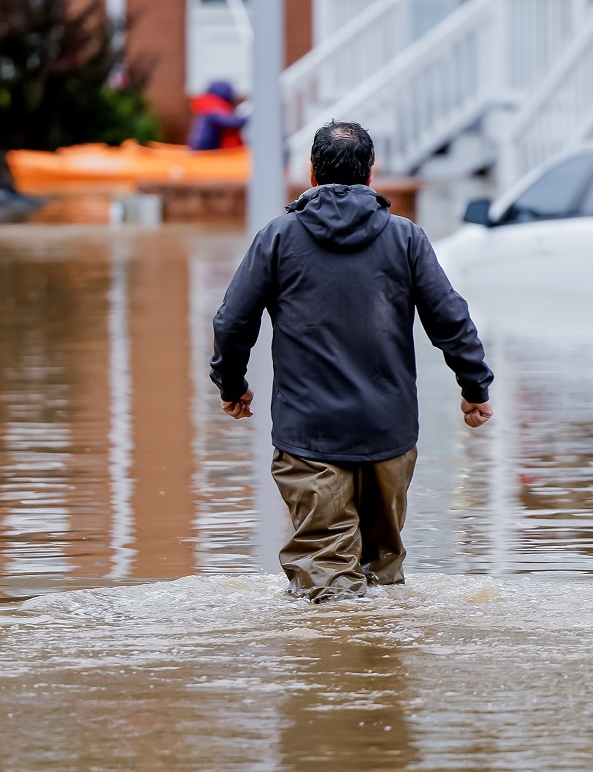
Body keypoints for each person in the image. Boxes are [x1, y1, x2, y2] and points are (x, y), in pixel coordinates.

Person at [209, 121, 494, 601]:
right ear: (371, 173)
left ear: (311, 173)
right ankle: (382, 672)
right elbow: (450, 318)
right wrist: (474, 388)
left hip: (309, 435)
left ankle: (334, 671)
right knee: (382, 574)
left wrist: (231, 384)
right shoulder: (406, 238)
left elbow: (233, 321)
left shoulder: (278, 238)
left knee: (326, 584)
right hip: (389, 435)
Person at [187, 81, 247, 151]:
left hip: (203, 149)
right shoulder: (212, 108)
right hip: (205, 150)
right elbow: (229, 122)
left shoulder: (207, 105)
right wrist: (245, 118)